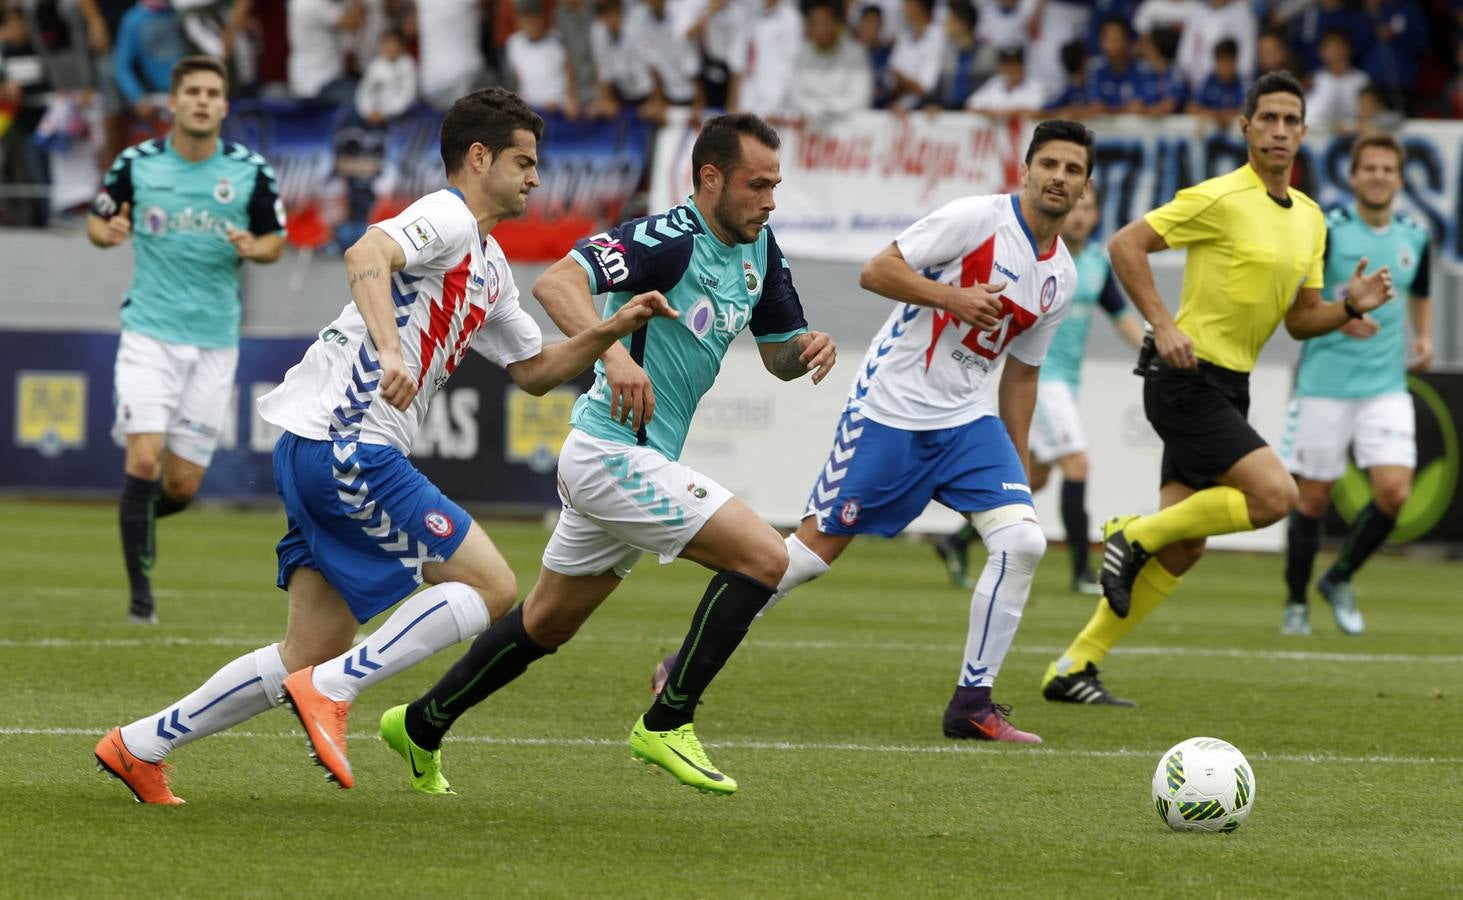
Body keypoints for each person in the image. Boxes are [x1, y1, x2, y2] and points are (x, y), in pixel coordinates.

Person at [91, 87, 676, 805]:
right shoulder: (447, 216)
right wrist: (391, 350)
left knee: (305, 650)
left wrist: (610, 334)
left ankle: (139, 745)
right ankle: (332, 693)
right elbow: (367, 251)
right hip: (351, 443)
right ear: (478, 156)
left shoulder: (489, 267)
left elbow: (533, 372)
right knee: (490, 588)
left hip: (317, 446)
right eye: (523, 161)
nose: (535, 176)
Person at [377, 113, 836, 798]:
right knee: (766, 558)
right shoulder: (665, 236)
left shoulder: (761, 248)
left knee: (547, 622)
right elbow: (557, 283)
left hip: (633, 457)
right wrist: (613, 354)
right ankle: (667, 720)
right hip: (611, 452)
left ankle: (420, 722)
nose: (769, 200)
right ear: (709, 178)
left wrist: (806, 352)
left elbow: (777, 358)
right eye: (756, 184)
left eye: (775, 185)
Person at [665, 119, 1096, 744]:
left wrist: (1021, 462)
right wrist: (953, 299)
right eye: (1049, 163)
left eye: (1073, 169)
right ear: (1026, 170)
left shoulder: (1063, 277)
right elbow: (876, 271)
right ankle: (680, 668)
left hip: (969, 422)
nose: (1059, 177)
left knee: (1023, 543)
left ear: (1085, 185)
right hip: (890, 411)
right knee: (805, 558)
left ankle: (972, 704)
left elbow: (1022, 377)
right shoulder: (977, 220)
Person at [1040, 72, 1394, 708]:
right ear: (1246, 127)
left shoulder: (1311, 218)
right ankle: (1130, 535)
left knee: (1185, 548)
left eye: (1292, 120)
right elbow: (1127, 245)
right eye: (1269, 119)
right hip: (1183, 378)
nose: (1280, 130)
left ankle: (1073, 667)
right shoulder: (1220, 196)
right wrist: (1164, 323)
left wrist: (1346, 308)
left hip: (1231, 386)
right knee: (1274, 495)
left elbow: (1299, 318)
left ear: (1304, 132)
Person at [87, 56, 286, 625]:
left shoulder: (250, 172)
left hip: (215, 341)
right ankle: (139, 601)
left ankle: (135, 515)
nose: (202, 100)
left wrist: (254, 246)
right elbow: (97, 224)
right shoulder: (137, 163)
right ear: (172, 103)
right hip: (148, 332)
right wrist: (111, 231)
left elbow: (276, 241)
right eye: (192, 91)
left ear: (224, 106)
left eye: (212, 93)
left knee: (182, 484)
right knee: (144, 458)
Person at [937, 187, 1143, 595]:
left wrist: (1157, 353)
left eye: (1089, 208)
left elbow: (1122, 317)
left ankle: (956, 540)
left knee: (1036, 477)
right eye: (1076, 209)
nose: (1082, 217)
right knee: (1077, 466)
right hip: (1041, 379)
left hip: (1068, 383)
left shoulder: (1098, 263)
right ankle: (1083, 572)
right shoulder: (1045, 261)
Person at [1280, 133, 1431, 637]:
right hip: (1325, 381)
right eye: (1370, 168)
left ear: (1399, 178)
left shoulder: (1415, 234)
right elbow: (1301, 301)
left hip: (1384, 383)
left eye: (1388, 169)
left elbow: (1420, 290)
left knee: (1394, 491)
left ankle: (1339, 577)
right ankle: (1296, 602)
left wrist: (1425, 336)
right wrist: (1339, 315)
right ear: (1353, 175)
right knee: (1313, 499)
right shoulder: (1331, 230)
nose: (1379, 177)